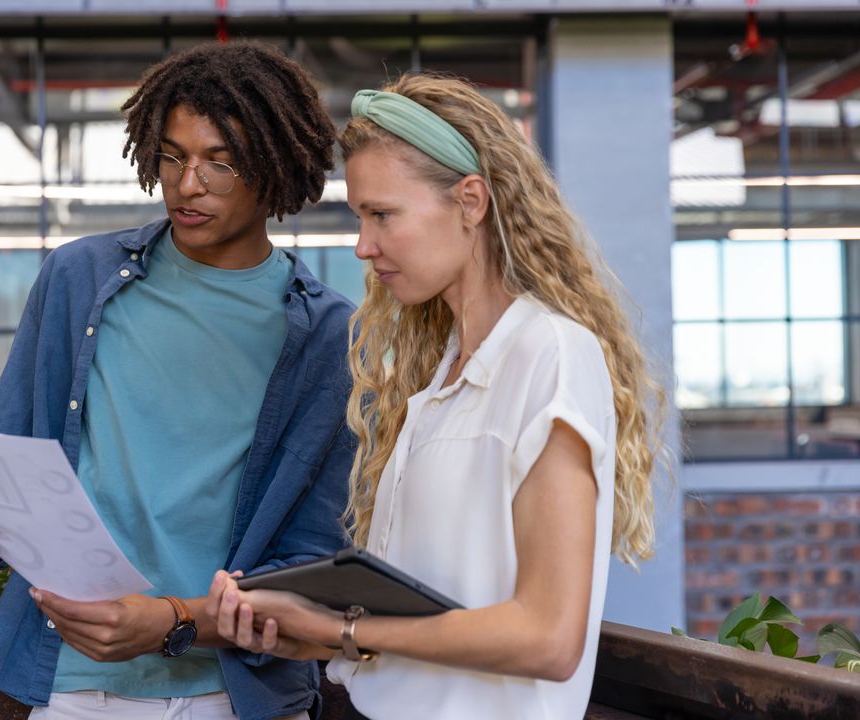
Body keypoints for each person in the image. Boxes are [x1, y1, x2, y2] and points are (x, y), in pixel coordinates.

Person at [0, 41, 357, 720]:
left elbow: (314, 562)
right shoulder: (77, 281)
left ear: (274, 168)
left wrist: (176, 621)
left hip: (237, 695)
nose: (187, 183)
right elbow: (8, 473)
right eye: (173, 156)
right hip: (74, 684)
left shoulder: (330, 337)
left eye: (220, 162)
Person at [208, 73, 668, 720]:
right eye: (360, 217)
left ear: (470, 201)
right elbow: (436, 618)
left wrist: (342, 629)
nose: (363, 245)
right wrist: (308, 628)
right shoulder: (437, 382)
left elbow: (549, 638)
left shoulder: (550, 355)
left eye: (382, 214)